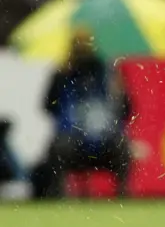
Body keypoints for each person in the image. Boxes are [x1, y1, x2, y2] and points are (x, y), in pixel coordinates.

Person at [31, 30, 132, 199]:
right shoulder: (65, 75)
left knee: (122, 147)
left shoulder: (106, 75)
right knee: (59, 148)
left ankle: (121, 194)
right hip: (84, 142)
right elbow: (49, 106)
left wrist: (119, 92)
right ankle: (61, 194)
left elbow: (48, 107)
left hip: (91, 142)